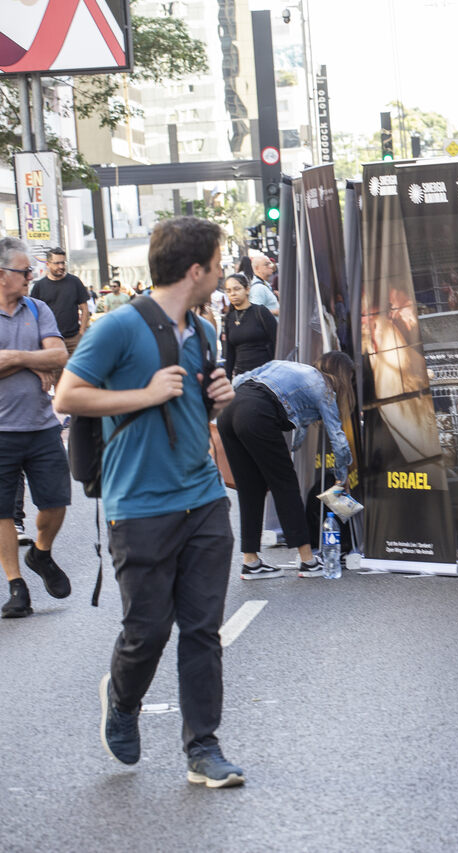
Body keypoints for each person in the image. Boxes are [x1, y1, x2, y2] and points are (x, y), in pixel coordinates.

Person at [54, 216, 242, 788]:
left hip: (202, 498)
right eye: (217, 265)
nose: (221, 275)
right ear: (195, 270)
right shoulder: (118, 327)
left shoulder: (204, 330)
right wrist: (145, 393)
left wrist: (219, 399)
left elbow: (195, 409)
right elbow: (68, 395)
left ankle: (203, 748)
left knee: (203, 630)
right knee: (148, 631)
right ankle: (122, 699)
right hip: (138, 503)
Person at [216, 353, 354, 580]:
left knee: (250, 489)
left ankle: (251, 562)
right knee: (285, 485)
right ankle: (308, 561)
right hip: (256, 413)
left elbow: (240, 379)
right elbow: (338, 439)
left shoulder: (287, 367)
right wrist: (342, 476)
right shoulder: (324, 389)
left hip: (230, 410)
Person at [0, 237, 72, 618]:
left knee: (57, 501)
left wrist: (13, 358)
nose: (31, 276)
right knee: (2, 512)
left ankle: (41, 553)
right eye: (25, 271)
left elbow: (59, 355)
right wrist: (32, 360)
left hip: (42, 426)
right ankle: (16, 586)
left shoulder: (37, 307)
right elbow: (44, 356)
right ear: (2, 275)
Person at [30, 247, 91, 383]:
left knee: (79, 377)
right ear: (48, 264)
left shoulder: (74, 282)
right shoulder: (39, 286)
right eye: (57, 263)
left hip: (74, 338)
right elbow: (33, 314)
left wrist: (82, 332)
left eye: (63, 262)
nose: (61, 266)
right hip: (52, 342)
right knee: (58, 380)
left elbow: (84, 308)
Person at [222, 273, 277, 377]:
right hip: (241, 377)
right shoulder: (229, 318)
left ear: (247, 290)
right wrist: (227, 378)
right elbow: (229, 353)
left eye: (237, 289)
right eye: (228, 291)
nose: (233, 294)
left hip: (265, 374)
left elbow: (276, 341)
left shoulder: (261, 312)